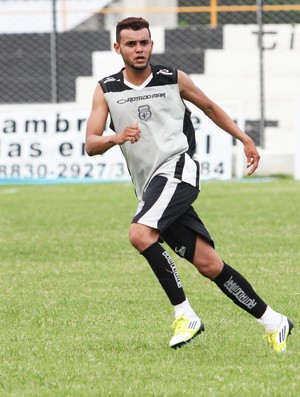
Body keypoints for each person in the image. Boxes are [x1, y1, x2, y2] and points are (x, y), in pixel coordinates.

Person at [85, 17, 293, 352]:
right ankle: (274, 321)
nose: (139, 49)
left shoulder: (172, 78)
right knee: (209, 264)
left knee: (140, 234)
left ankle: (185, 314)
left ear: (151, 44)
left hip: (178, 170)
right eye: (131, 44)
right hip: (150, 186)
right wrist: (116, 137)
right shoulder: (107, 89)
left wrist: (245, 140)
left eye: (144, 42)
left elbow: (209, 107)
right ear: (117, 48)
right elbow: (91, 144)